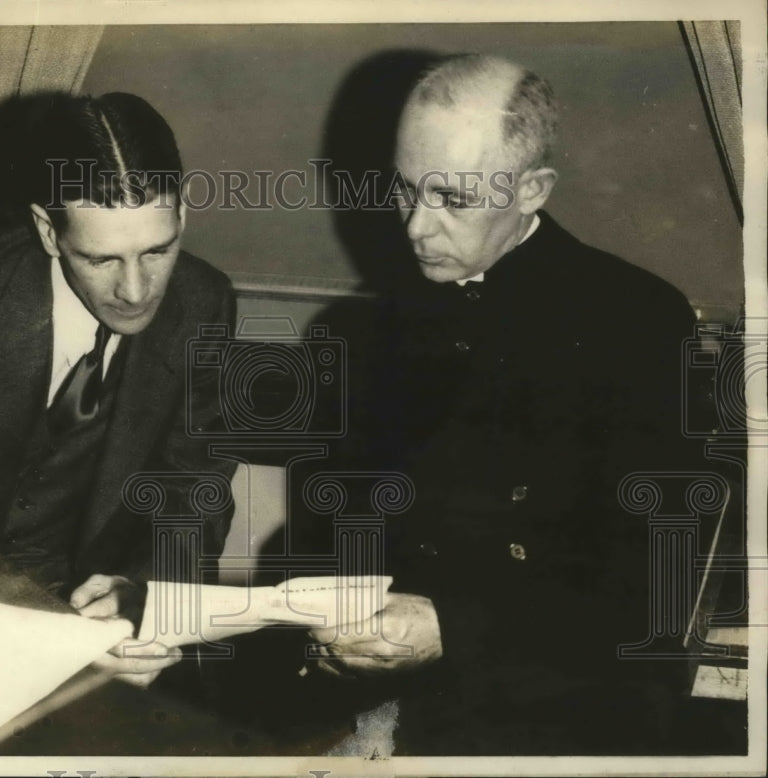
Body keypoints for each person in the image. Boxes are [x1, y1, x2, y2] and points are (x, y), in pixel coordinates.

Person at [300, 54, 709, 753]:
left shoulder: (638, 321)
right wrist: (329, 632)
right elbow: (342, 525)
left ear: (532, 189)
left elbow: (646, 594)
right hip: (382, 698)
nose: (415, 229)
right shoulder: (360, 329)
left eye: (452, 199)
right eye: (405, 191)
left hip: (559, 706)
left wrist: (450, 630)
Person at [0, 92, 237, 683]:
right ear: (47, 229)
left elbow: (192, 493)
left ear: (183, 217)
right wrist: (69, 637)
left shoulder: (205, 302)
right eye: (101, 259)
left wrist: (148, 597)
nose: (137, 290)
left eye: (158, 250)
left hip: (97, 614)